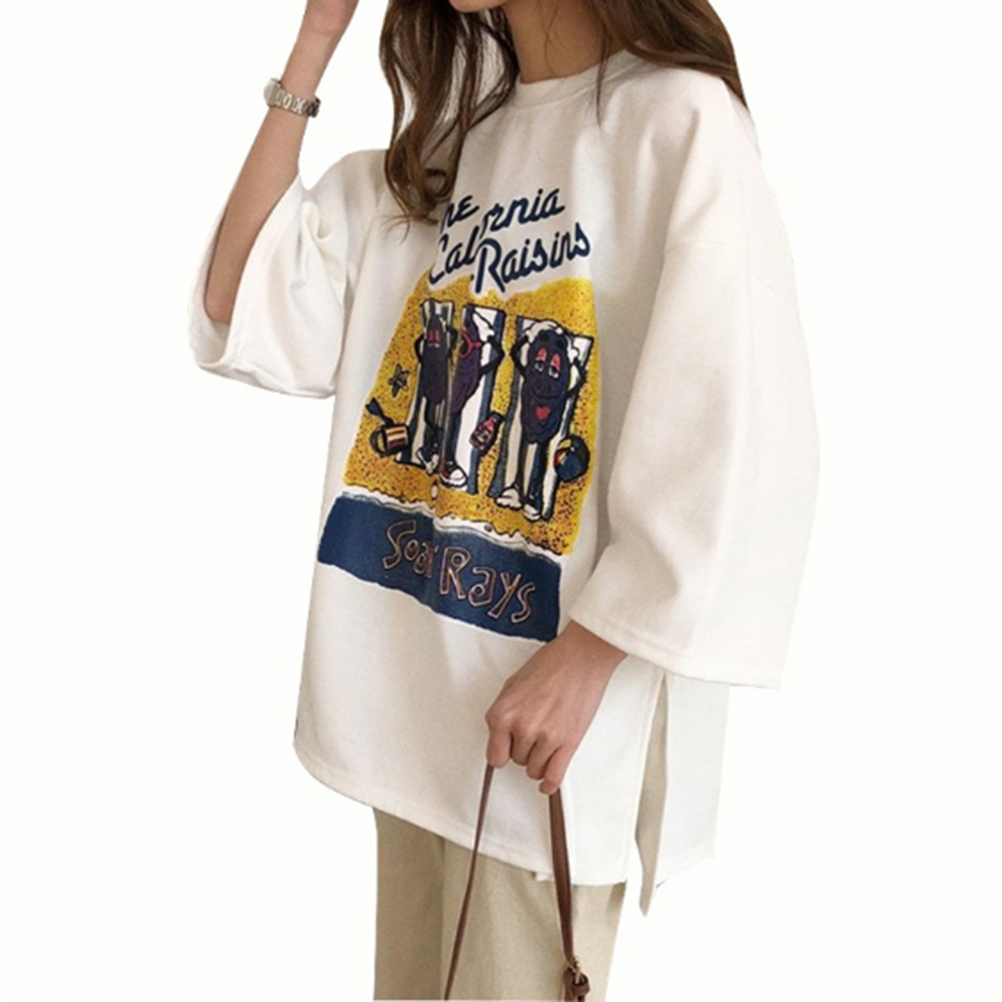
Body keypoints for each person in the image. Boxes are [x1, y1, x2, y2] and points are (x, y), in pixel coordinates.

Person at [187, 0, 820, 998]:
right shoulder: (446, 152)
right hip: (417, 719)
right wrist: (315, 42)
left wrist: (591, 653)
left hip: (538, 741)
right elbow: (241, 303)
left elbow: (731, 418)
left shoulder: (676, 120)